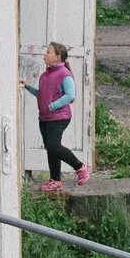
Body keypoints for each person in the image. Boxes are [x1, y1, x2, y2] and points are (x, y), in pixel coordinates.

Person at [24, 41, 88, 192]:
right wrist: (27, 86)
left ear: (58, 57)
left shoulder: (64, 74)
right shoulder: (45, 75)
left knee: (54, 146)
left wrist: (53, 106)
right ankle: (55, 180)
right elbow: (42, 95)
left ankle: (81, 167)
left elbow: (70, 95)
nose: (45, 55)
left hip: (59, 117)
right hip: (45, 118)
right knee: (51, 149)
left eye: (48, 52)